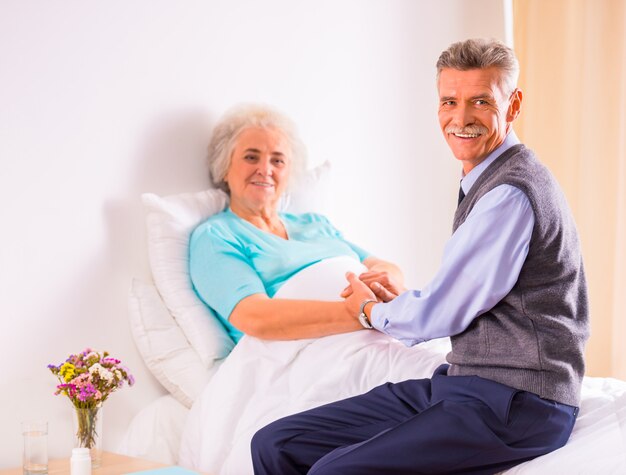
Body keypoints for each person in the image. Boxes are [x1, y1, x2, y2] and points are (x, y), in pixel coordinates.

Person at [251, 38, 590, 474]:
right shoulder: (485, 179)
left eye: (481, 101)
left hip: (518, 404)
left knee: (332, 472)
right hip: (465, 386)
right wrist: (403, 302)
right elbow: (471, 299)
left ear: (513, 104)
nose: (460, 118)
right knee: (277, 443)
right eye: (449, 101)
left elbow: (442, 314)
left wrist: (370, 311)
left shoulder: (509, 193)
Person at [189, 103, 402, 343]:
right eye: (251, 157)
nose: (265, 169)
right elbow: (255, 317)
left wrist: (383, 283)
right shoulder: (216, 235)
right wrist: (364, 313)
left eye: (277, 161)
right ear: (225, 167)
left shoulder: (314, 223)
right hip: (314, 349)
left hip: (377, 329)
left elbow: (385, 267)